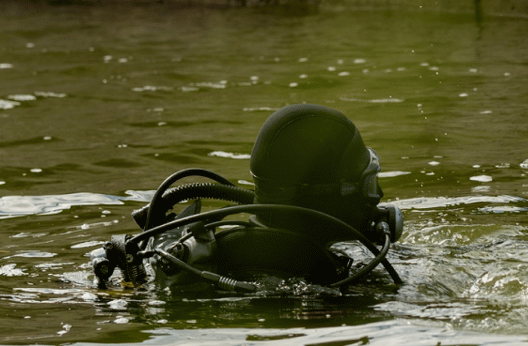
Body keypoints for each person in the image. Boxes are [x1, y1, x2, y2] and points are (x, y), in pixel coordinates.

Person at [92, 104, 403, 291]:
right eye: (367, 184)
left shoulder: (224, 250)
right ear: (329, 195)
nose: (377, 196)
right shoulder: (323, 280)